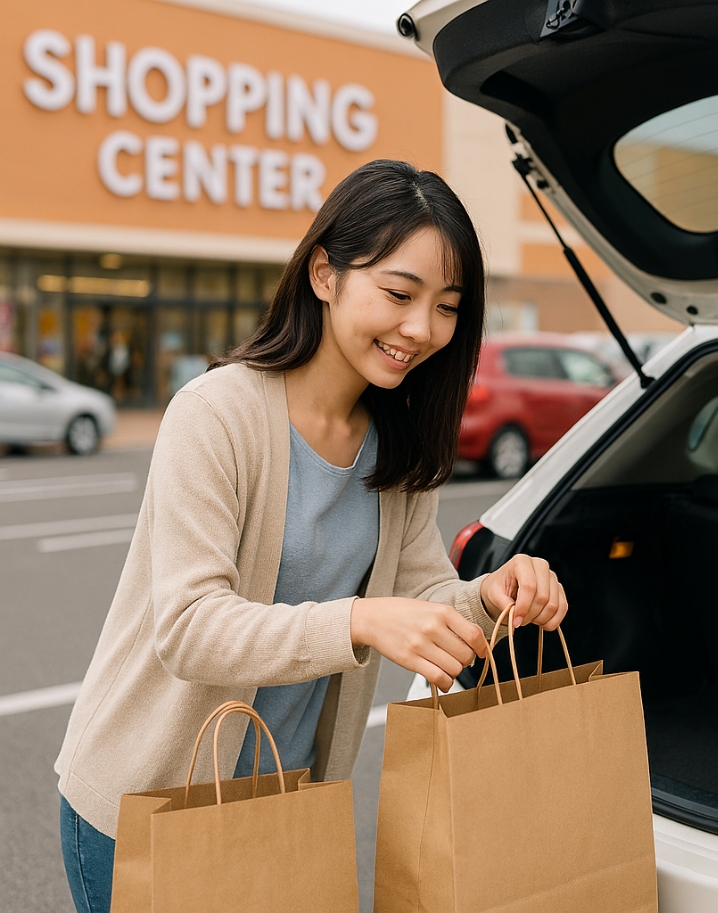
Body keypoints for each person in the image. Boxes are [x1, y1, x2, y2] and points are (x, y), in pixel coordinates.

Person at [55, 160, 568, 913]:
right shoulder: (215, 414)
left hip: (287, 804)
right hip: (148, 808)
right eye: (398, 293)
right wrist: (358, 619)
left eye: (447, 306)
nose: (421, 329)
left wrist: (491, 596)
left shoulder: (397, 441)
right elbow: (189, 628)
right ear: (324, 274)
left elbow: (423, 595)